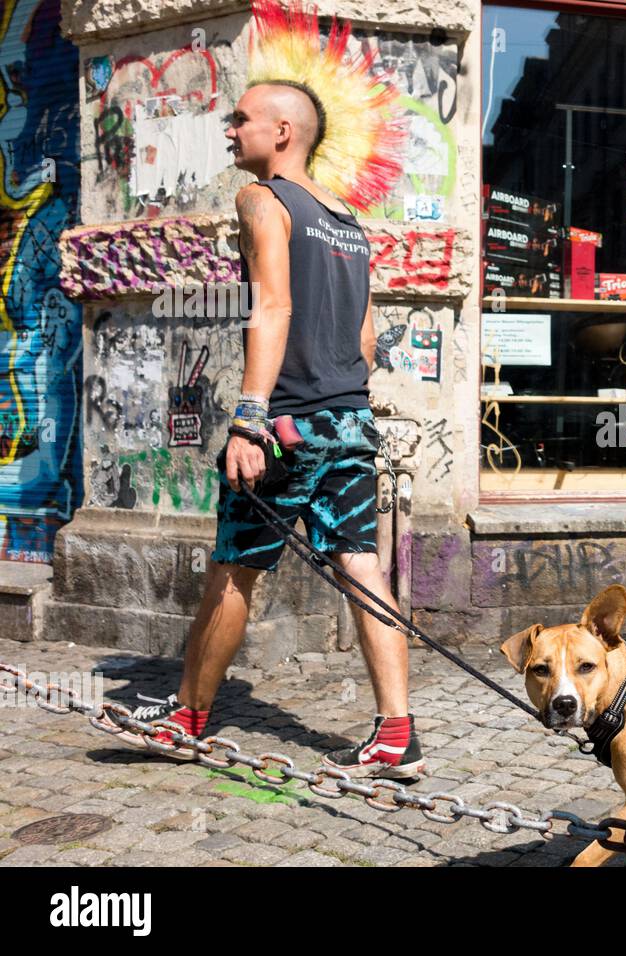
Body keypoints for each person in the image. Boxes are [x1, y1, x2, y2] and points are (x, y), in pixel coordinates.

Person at [113, 79, 423, 779]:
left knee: (232, 570)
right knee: (362, 567)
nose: (230, 131)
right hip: (349, 421)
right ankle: (398, 733)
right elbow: (366, 340)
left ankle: (186, 718)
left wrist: (252, 417)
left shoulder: (262, 200)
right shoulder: (347, 221)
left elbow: (274, 306)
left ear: (283, 132)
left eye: (242, 120)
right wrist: (337, 401)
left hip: (284, 426)